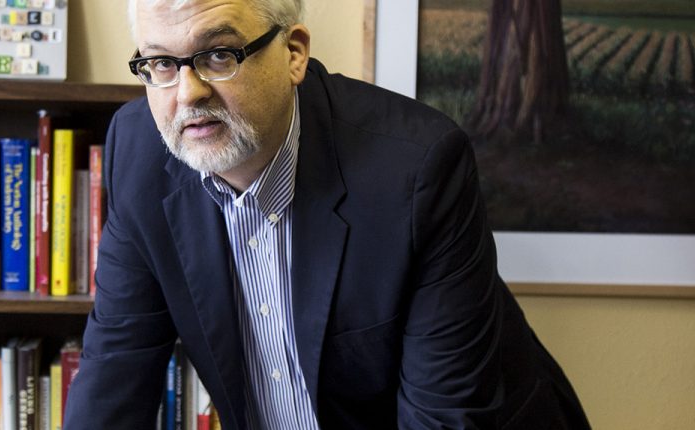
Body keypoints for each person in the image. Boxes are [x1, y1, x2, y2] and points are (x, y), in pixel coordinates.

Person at [63, 0, 590, 428]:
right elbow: (114, 374)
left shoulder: (418, 168)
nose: (188, 92)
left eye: (220, 54)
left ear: (293, 53)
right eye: (160, 64)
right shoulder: (137, 151)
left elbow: (444, 417)